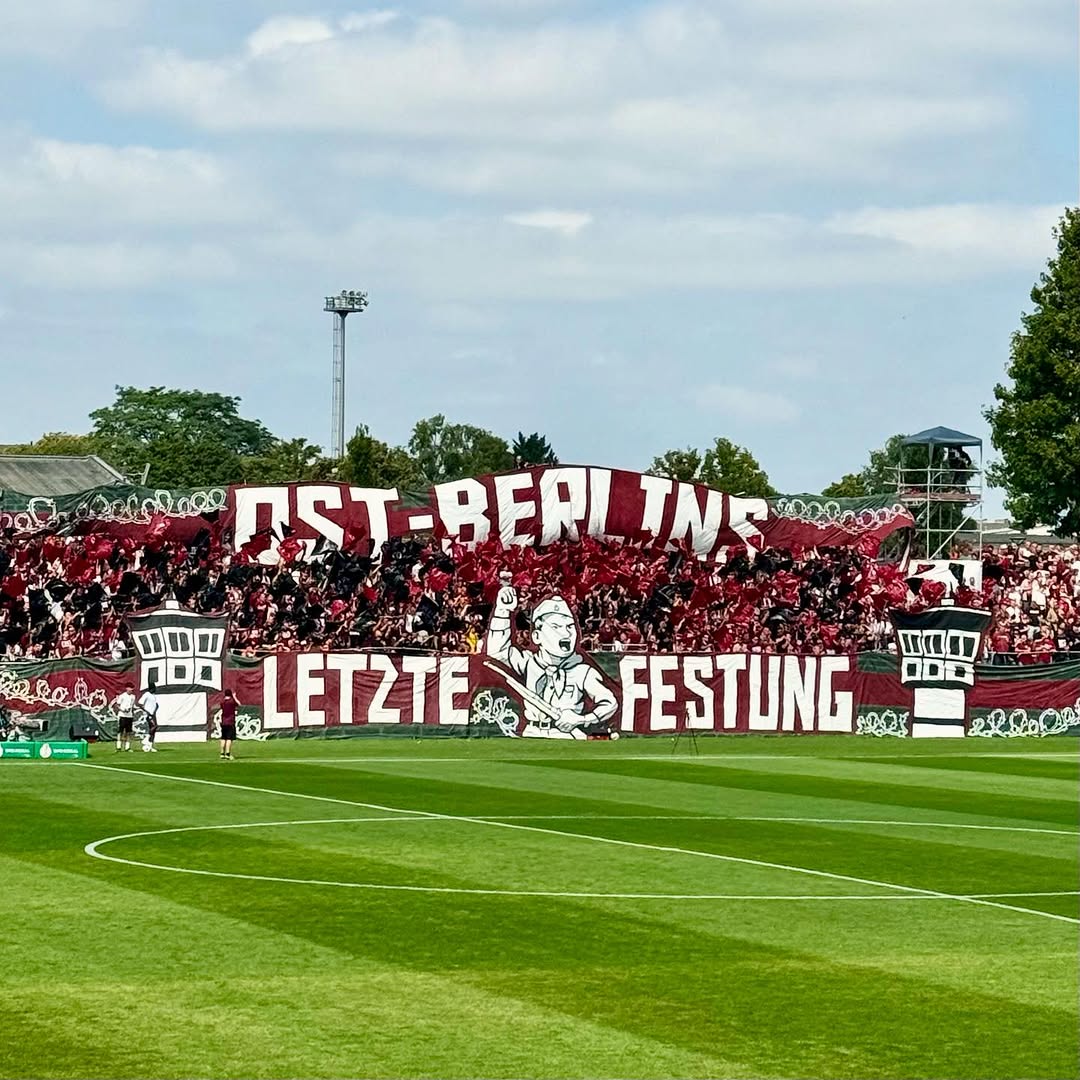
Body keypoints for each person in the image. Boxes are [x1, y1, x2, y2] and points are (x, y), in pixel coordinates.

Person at [485, 583, 617, 739]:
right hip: (531, 733)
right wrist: (502, 612)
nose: (565, 633)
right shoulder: (529, 662)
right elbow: (497, 652)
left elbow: (610, 703)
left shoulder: (582, 671)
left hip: (565, 735)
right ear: (537, 636)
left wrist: (581, 719)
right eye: (556, 627)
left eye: (569, 626)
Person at [113, 682, 137, 752]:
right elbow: (117, 705)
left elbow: (132, 706)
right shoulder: (122, 696)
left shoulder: (133, 696)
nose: (131, 690)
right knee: (120, 731)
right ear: (127, 688)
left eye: (132, 689)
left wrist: (131, 711)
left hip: (129, 716)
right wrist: (123, 710)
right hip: (122, 716)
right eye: (130, 688)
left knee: (128, 732)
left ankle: (127, 747)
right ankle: (118, 746)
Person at [137, 680, 160, 752]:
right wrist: (147, 711)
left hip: (153, 714)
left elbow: (155, 705)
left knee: (153, 730)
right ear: (151, 688)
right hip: (148, 714)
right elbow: (139, 703)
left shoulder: (153, 696)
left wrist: (156, 708)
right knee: (154, 726)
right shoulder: (146, 694)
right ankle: (146, 738)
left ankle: (150, 746)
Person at [219, 689, 237, 760]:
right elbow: (239, 704)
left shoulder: (222, 702)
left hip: (223, 722)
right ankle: (228, 754)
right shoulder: (232, 701)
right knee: (229, 739)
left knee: (223, 738)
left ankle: (222, 753)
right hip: (230, 722)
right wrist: (234, 697)